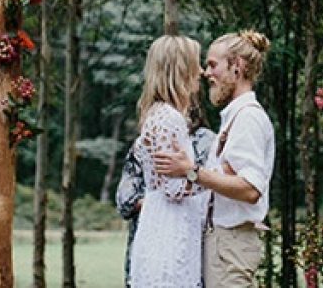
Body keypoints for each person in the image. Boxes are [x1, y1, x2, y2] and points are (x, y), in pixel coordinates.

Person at [155, 30, 275, 287]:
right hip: (222, 241)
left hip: (231, 243)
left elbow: (251, 189)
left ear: (238, 67)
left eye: (212, 65)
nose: (206, 73)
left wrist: (191, 171)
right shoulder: (234, 117)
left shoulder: (248, 118)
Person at [127, 34, 209, 287]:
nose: (203, 72)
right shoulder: (168, 119)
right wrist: (211, 179)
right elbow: (173, 188)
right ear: (181, 69)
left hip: (161, 220)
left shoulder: (157, 114)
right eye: (196, 64)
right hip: (171, 227)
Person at [115, 102, 215, 287]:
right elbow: (125, 199)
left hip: (192, 241)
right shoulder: (155, 134)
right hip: (159, 232)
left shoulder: (207, 141)